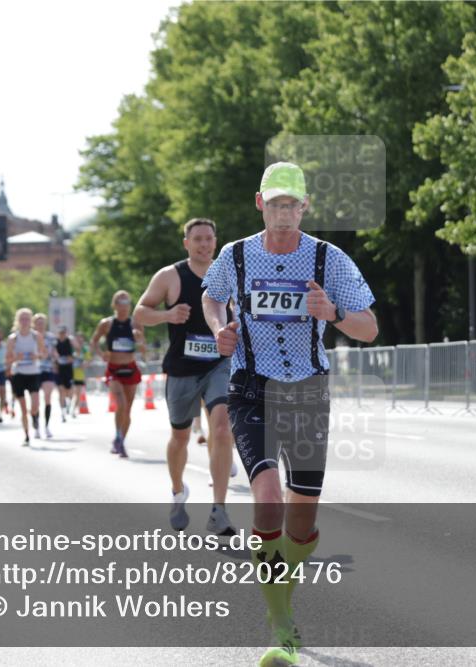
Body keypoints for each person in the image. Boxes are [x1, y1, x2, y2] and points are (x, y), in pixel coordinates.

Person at [202, 162, 378, 665]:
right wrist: (219, 328)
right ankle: (281, 625)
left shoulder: (330, 260)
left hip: (306, 392)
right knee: (268, 500)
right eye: (275, 204)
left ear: (304, 207)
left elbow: (370, 327)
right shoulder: (234, 257)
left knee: (301, 524)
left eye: (292, 205)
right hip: (251, 389)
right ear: (260, 203)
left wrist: (335, 315)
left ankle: (284, 599)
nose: (283, 213)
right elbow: (212, 298)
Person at [134, 217, 238, 535]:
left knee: (221, 428)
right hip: (181, 368)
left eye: (209, 238)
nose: (204, 244)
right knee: (180, 437)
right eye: (198, 239)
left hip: (220, 364)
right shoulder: (170, 276)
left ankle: (219, 510)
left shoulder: (229, 273)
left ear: (216, 241)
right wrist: (167, 314)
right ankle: (178, 492)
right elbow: (140, 312)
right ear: (186, 243)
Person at [90, 291, 146, 457]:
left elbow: (144, 349)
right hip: (114, 369)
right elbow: (93, 341)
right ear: (115, 305)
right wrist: (101, 354)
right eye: (120, 304)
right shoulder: (106, 324)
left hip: (130, 368)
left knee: (127, 410)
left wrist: (140, 339)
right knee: (120, 404)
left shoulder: (136, 324)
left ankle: (120, 440)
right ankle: (117, 435)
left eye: (127, 304)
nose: (123, 308)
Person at [6, 307, 44, 446]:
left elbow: (43, 353)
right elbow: (7, 359)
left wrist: (37, 356)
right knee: (23, 408)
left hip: (33, 373)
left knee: (34, 405)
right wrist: (16, 357)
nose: (24, 321)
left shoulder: (36, 336)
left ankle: (35, 416)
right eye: (22, 319)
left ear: (31, 321)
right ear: (17, 321)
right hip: (19, 374)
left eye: (27, 319)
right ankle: (27, 435)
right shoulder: (13, 338)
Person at [33, 313, 58, 438]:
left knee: (47, 397)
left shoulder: (51, 337)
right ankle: (36, 427)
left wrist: (56, 357)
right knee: (35, 401)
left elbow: (54, 352)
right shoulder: (31, 336)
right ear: (34, 324)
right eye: (38, 322)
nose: (40, 325)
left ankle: (46, 426)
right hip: (34, 370)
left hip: (48, 369)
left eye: (42, 322)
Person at [54, 326, 75, 422]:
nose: (62, 335)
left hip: (68, 370)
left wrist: (67, 359)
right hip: (59, 371)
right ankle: (62, 413)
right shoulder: (55, 343)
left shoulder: (69, 342)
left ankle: (68, 403)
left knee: (69, 391)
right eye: (60, 333)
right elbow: (53, 356)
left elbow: (74, 354)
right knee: (61, 391)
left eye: (64, 333)